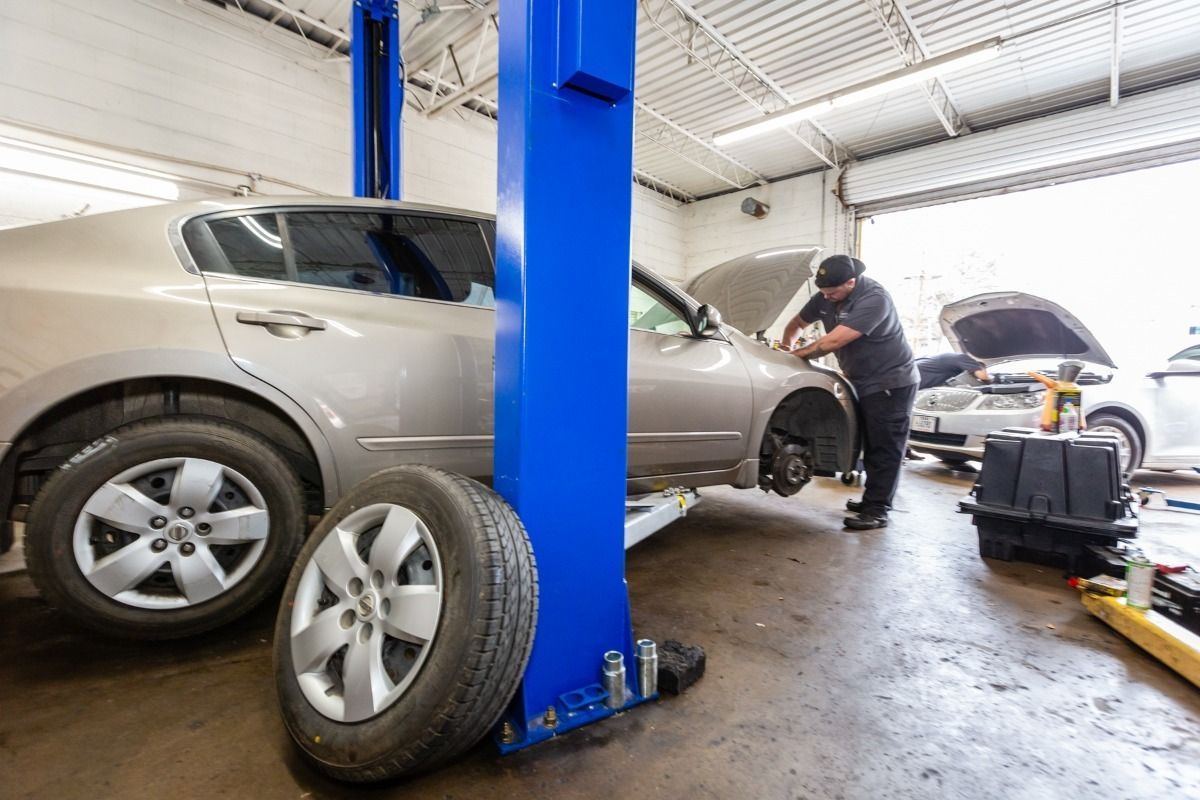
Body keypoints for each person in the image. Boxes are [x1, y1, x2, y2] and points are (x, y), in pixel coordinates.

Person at [782, 255, 918, 530]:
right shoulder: (825, 296)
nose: (826, 297)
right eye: (822, 292)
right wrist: (786, 347)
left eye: (832, 292)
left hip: (890, 382)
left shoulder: (874, 298)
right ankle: (872, 499)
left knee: (885, 446)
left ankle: (878, 509)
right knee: (869, 442)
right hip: (860, 379)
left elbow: (834, 340)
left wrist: (796, 356)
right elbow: (796, 324)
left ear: (851, 282)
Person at [916, 352, 989, 390]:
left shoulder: (951, 357)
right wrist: (992, 380)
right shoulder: (963, 357)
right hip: (915, 378)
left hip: (910, 372)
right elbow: (983, 376)